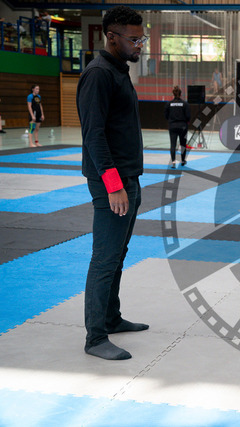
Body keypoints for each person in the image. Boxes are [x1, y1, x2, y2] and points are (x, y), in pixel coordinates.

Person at [76, 5, 149, 361]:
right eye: (134, 39)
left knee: (118, 254)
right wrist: (113, 184)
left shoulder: (119, 72)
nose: (140, 45)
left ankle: (111, 317)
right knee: (104, 259)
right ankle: (95, 337)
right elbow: (94, 135)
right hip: (112, 183)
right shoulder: (98, 75)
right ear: (111, 37)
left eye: (141, 38)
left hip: (128, 178)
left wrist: (127, 180)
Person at [164, 86, 191, 168]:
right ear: (181, 94)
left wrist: (171, 120)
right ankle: (182, 160)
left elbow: (166, 115)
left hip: (172, 126)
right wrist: (186, 122)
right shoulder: (185, 104)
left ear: (173, 94)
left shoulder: (169, 104)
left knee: (173, 144)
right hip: (183, 126)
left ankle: (173, 161)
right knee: (183, 144)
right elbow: (188, 116)